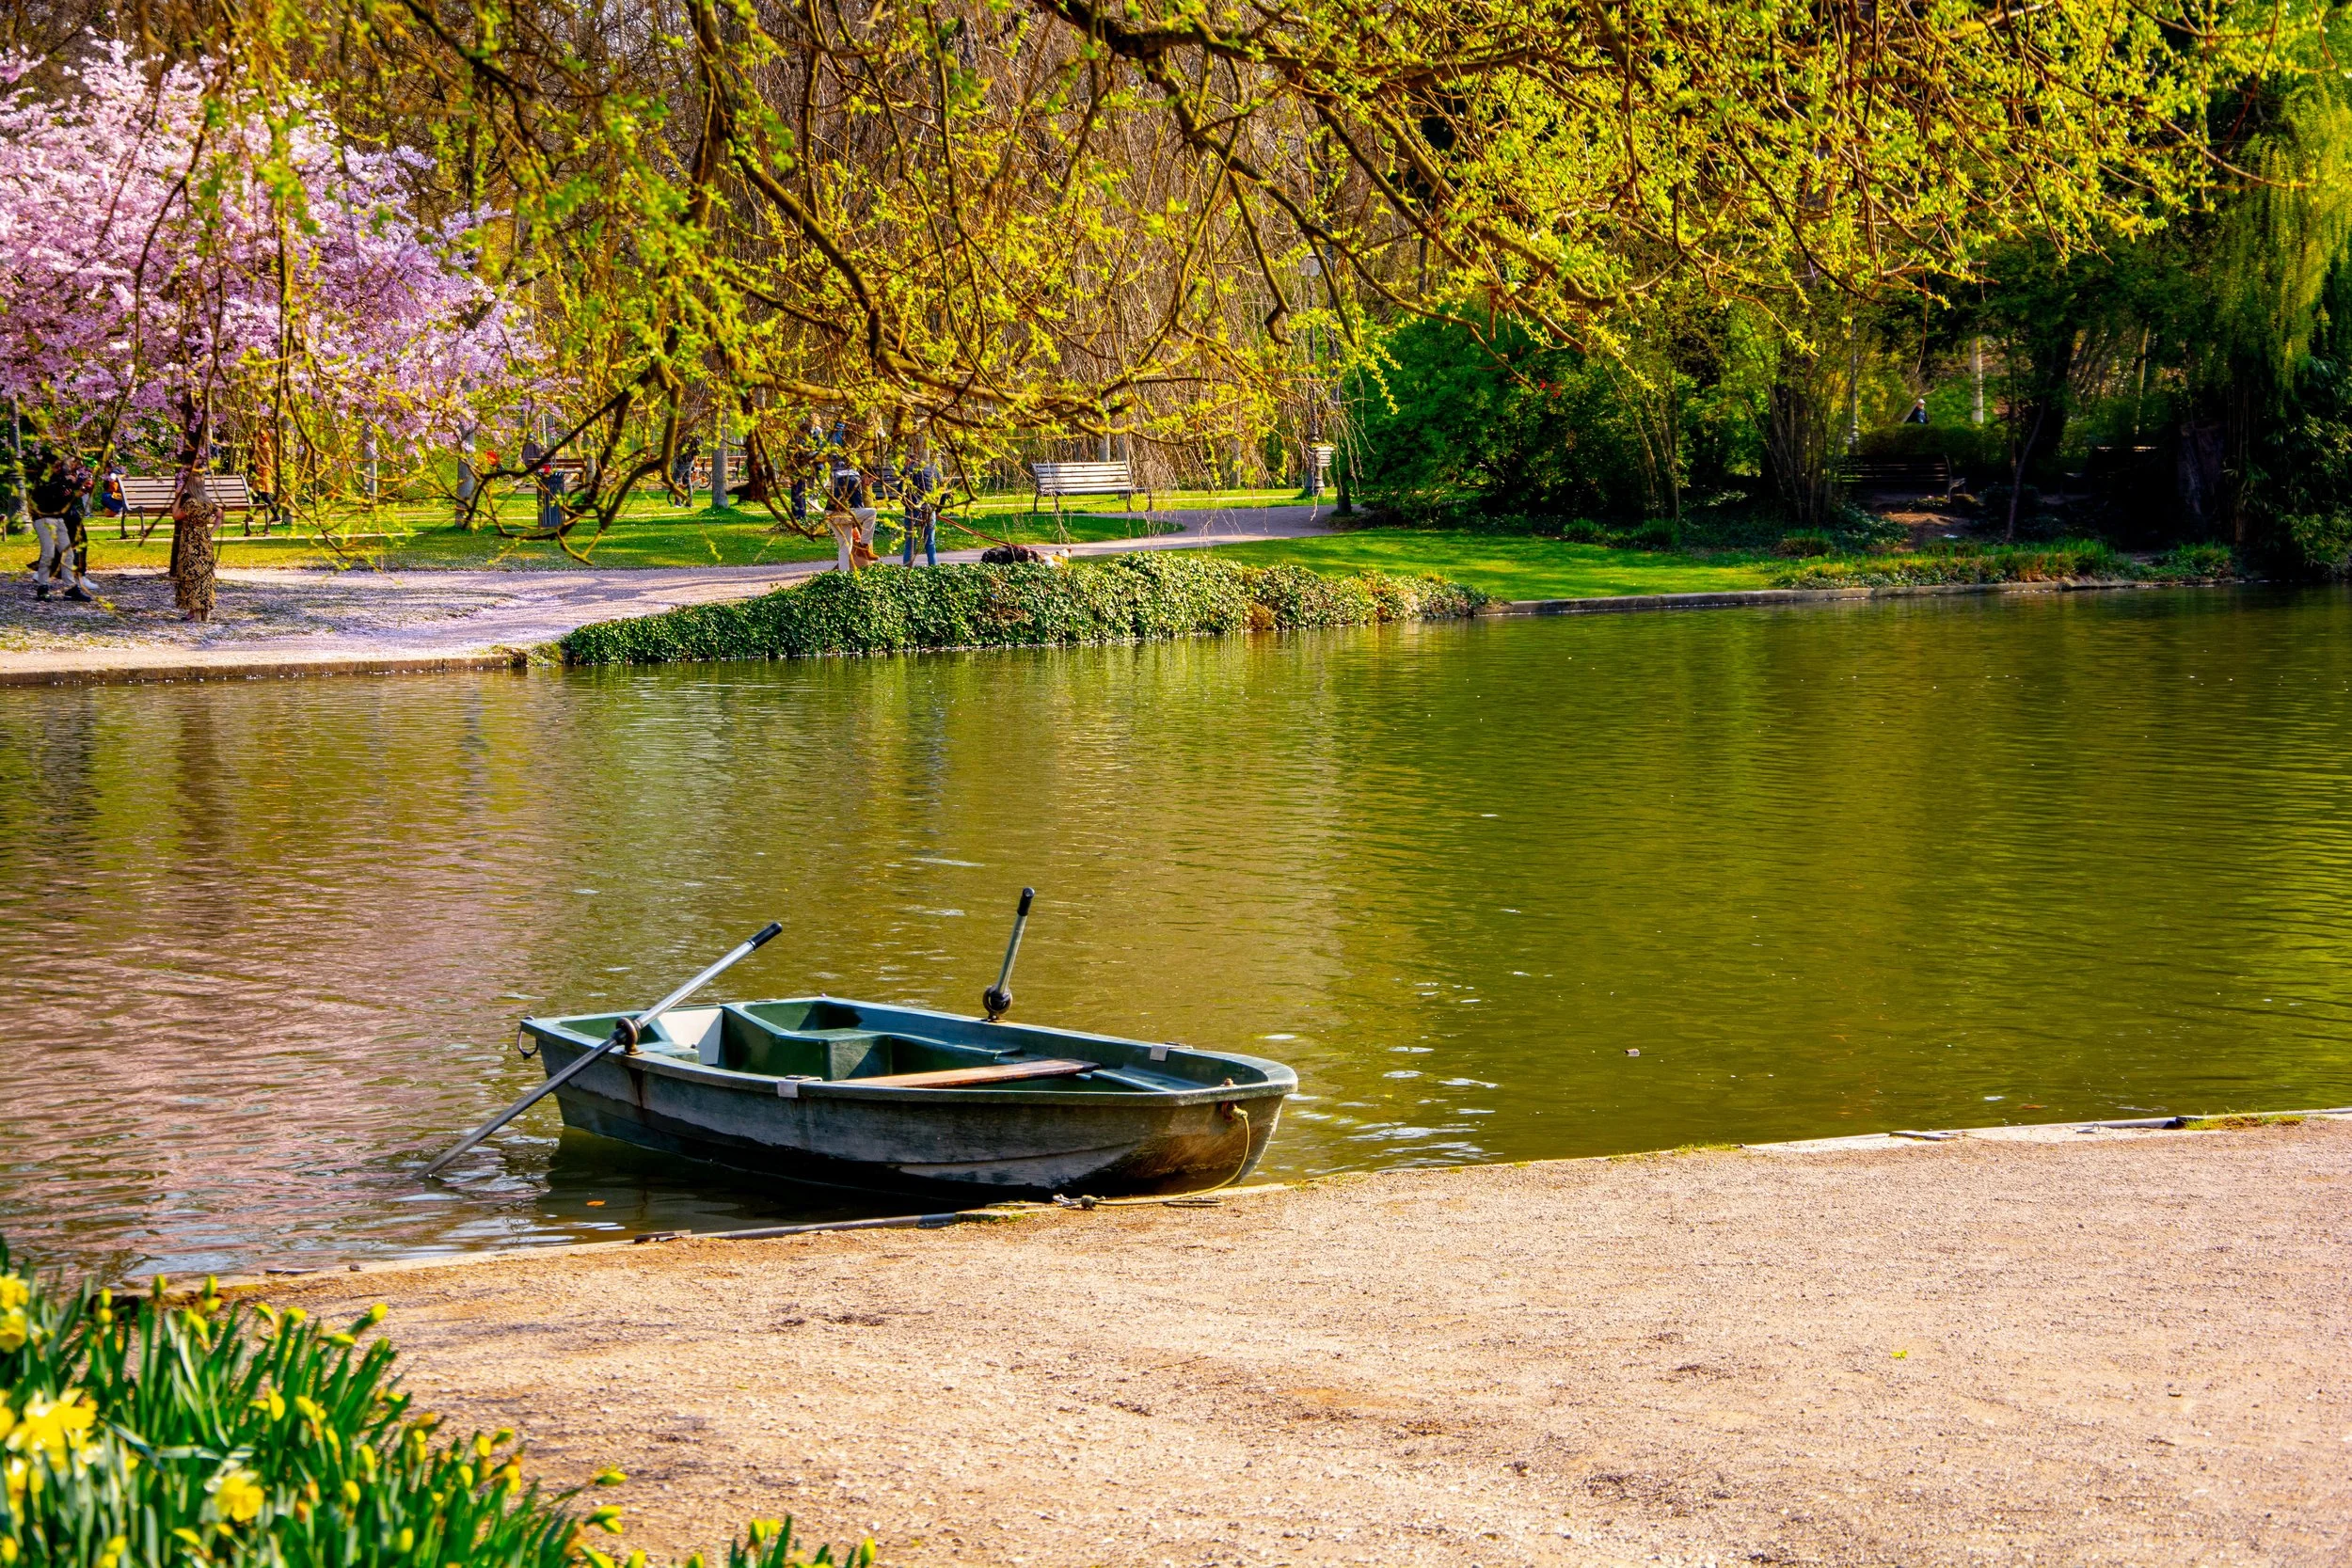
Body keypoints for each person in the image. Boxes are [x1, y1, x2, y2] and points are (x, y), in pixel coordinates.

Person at [26, 443, 97, 602]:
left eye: (60, 465)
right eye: (56, 466)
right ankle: (43, 587)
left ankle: (71, 588)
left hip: (58, 519)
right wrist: (67, 489)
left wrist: (82, 487)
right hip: (43, 519)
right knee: (48, 554)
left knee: (68, 553)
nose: (59, 468)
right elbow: (48, 495)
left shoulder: (61, 478)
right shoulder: (42, 479)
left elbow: (69, 493)